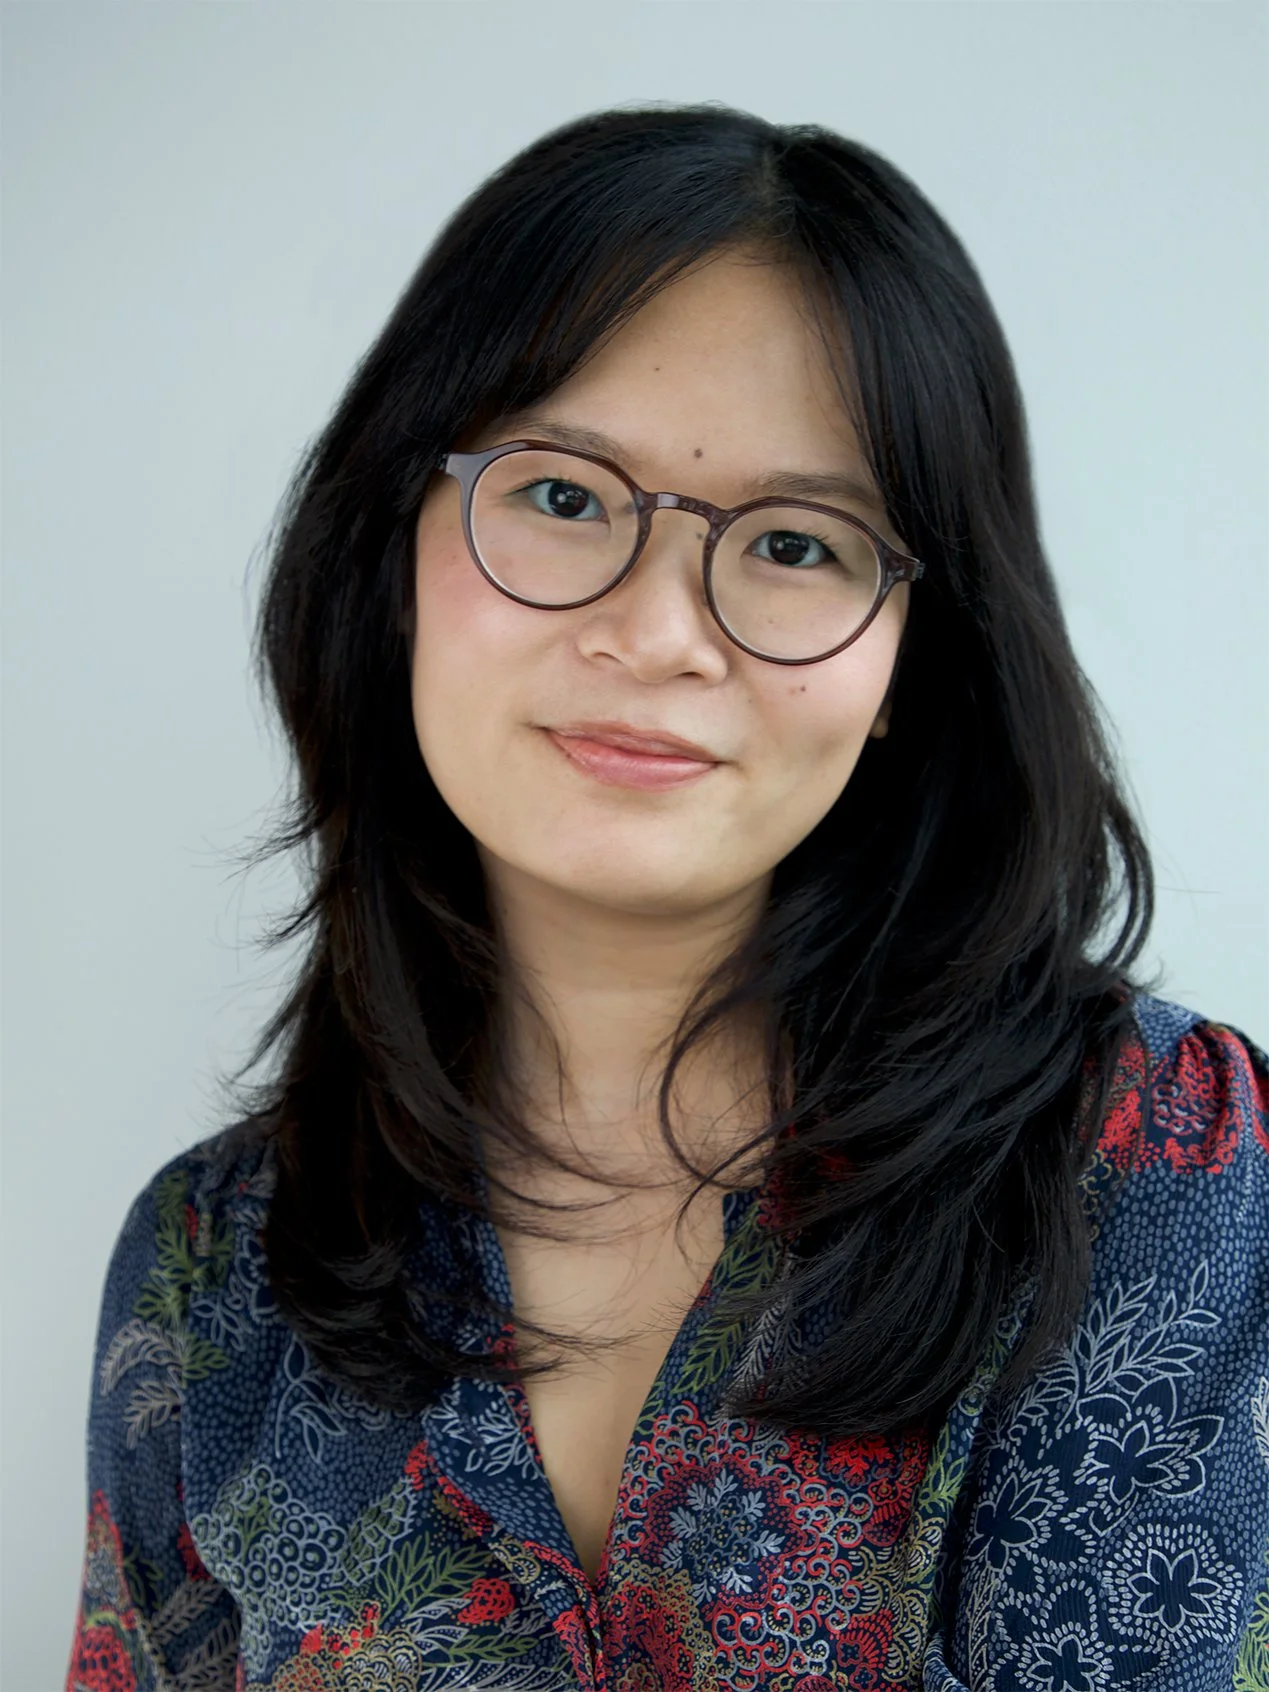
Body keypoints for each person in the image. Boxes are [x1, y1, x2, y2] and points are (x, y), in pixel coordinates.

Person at [65, 103, 1268, 1692]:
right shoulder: (214, 1272)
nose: (660, 629)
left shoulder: (1149, 1164)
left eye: (792, 541)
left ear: (914, 657)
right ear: (395, 545)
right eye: (563, 496)